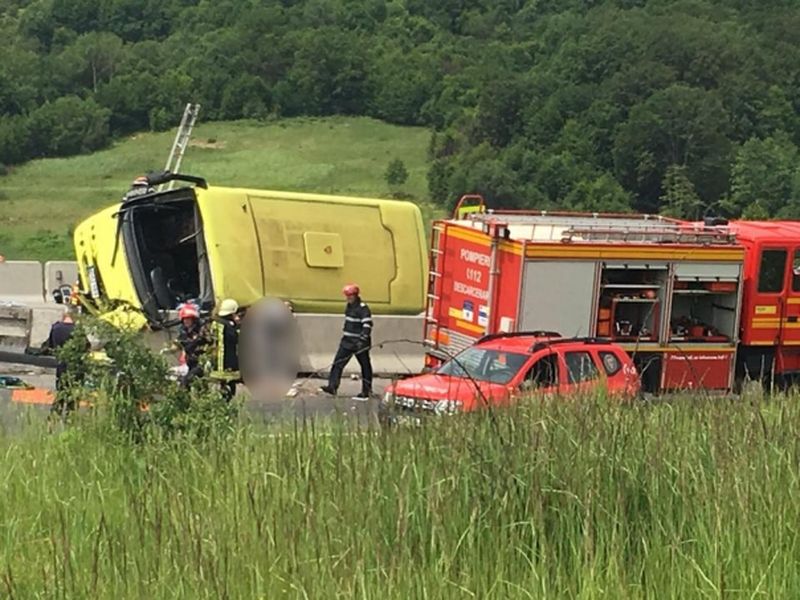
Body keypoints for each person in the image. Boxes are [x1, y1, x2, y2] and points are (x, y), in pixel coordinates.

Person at [320, 283, 373, 399]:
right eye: (347, 296)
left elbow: (367, 325)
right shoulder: (349, 306)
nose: (348, 298)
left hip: (359, 343)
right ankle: (332, 386)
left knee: (365, 366)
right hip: (347, 342)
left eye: (350, 296)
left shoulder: (363, 308)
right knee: (337, 364)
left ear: (355, 295)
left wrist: (363, 340)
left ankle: (366, 390)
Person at [209, 298, 242, 401]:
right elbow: (237, 339)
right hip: (227, 360)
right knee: (229, 384)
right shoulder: (228, 326)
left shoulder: (215, 323)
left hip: (216, 360)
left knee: (224, 383)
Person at [173, 302, 209, 388]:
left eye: (188, 319)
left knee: (186, 382)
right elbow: (177, 344)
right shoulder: (184, 332)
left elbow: (208, 342)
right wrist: (169, 349)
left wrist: (196, 341)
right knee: (198, 386)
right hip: (190, 362)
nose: (186, 321)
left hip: (201, 362)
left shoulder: (202, 331)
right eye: (184, 319)